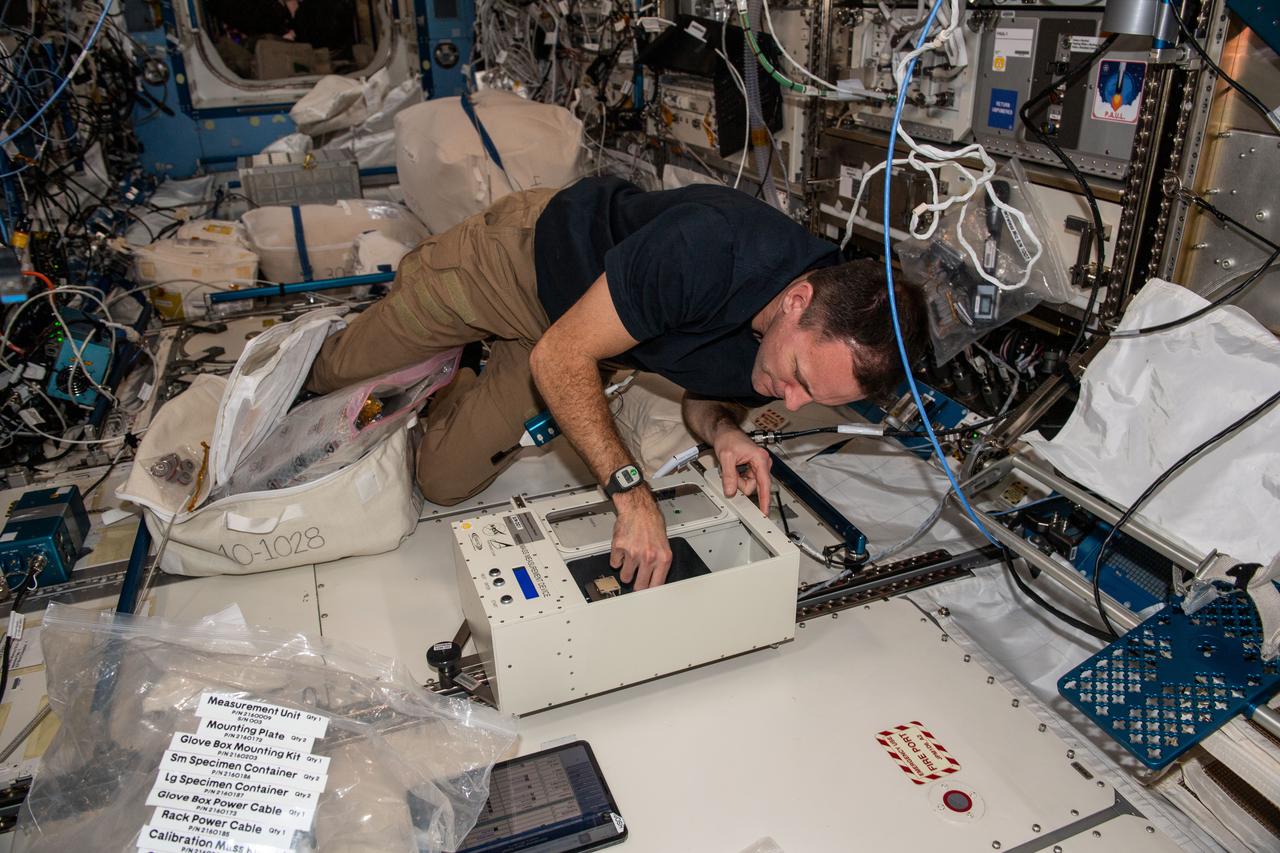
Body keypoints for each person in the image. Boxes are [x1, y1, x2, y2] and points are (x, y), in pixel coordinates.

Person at [307, 176, 926, 589]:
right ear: (796, 300)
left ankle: (460, 366)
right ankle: (421, 332)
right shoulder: (708, 250)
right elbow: (560, 360)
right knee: (333, 378)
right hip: (510, 269)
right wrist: (633, 497)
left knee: (441, 481)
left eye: (812, 399)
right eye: (798, 380)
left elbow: (704, 385)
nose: (791, 401)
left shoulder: (798, 351)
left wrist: (725, 434)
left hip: (578, 337)